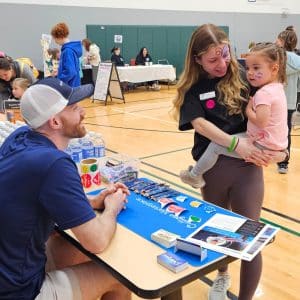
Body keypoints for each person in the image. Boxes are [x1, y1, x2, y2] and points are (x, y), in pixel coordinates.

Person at [172, 24, 287, 300]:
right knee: (216, 233)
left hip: (247, 170)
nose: (222, 63)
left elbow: (276, 118)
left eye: (225, 54)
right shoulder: (194, 88)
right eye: (212, 59)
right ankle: (221, 277)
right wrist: (235, 143)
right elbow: (199, 124)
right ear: (197, 59)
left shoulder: (249, 76)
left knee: (250, 238)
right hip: (212, 172)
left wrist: (282, 154)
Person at [0, 77, 131, 300]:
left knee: (72, 248)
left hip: (9, 265)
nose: (83, 112)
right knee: (118, 276)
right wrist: (112, 207)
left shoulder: (18, 137)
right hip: (17, 291)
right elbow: (96, 241)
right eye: (74, 108)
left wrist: (91, 202)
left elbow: (34, 196)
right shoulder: (53, 162)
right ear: (56, 122)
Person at [179, 42, 288, 188]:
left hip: (259, 145)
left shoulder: (263, 92)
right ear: (197, 60)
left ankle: (194, 175)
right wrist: (283, 151)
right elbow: (199, 125)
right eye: (248, 67)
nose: (249, 72)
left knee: (215, 146)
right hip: (268, 144)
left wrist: (248, 110)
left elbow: (262, 121)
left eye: (255, 68)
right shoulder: (277, 88)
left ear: (274, 68)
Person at [275, 29, 300, 173]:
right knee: (286, 131)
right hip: (289, 101)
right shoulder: (298, 60)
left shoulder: (276, 58)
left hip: (273, 99)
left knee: (269, 128)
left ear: (283, 41)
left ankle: (268, 155)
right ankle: (283, 163)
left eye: (278, 39)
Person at [51, 22, 82, 87]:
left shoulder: (67, 51)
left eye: (55, 38)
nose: (55, 41)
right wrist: (59, 72)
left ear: (60, 36)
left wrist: (59, 80)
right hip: (73, 86)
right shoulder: (70, 49)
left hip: (69, 88)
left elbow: (70, 72)